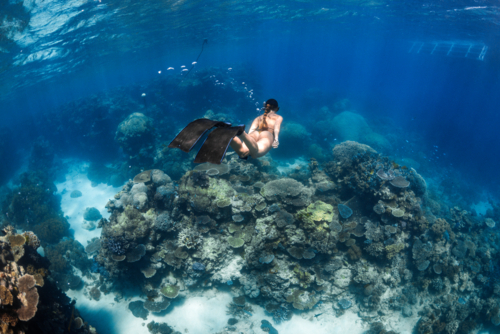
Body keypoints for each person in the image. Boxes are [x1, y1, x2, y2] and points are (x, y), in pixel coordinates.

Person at [168, 98, 283, 164]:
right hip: (267, 134)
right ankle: (240, 132)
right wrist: (276, 139)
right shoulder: (278, 117)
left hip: (254, 133)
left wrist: (246, 136)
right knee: (255, 153)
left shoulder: (258, 118)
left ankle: (228, 130)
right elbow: (276, 127)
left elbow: (252, 130)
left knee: (243, 152)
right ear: (276, 109)